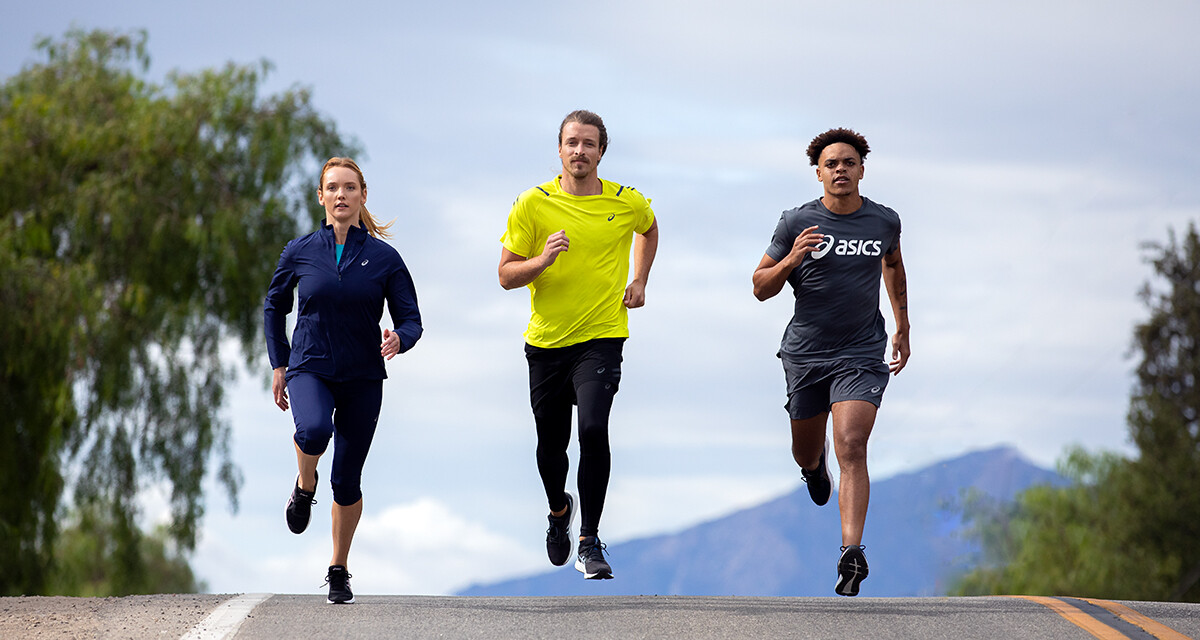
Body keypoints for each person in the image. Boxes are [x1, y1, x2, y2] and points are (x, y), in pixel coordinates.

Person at [498, 110, 659, 580]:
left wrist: (640, 279)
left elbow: (649, 228)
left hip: (602, 337)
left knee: (592, 429)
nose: (580, 151)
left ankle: (589, 541)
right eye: (572, 143)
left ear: (601, 151)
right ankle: (558, 510)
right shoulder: (533, 203)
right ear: (560, 149)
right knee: (551, 447)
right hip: (547, 343)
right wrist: (542, 260)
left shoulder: (625, 201)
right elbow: (506, 274)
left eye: (589, 143)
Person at [751, 128, 909, 597]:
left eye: (849, 162)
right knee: (806, 450)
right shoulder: (796, 222)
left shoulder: (884, 221)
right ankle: (813, 467)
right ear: (818, 173)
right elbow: (759, 286)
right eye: (831, 164)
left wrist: (902, 325)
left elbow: (893, 266)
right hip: (806, 354)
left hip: (860, 352)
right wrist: (791, 259)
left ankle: (851, 552)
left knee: (852, 444)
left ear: (862, 170)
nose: (841, 170)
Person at [264, 157, 423, 604]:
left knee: (347, 480)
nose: (341, 195)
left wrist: (400, 339)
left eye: (350, 187)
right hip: (309, 366)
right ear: (321, 196)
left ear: (362, 195)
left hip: (363, 377)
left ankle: (338, 568)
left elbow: (411, 319)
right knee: (313, 431)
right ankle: (304, 485)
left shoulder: (384, 259)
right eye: (332, 187)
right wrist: (279, 363)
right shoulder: (299, 251)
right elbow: (275, 306)